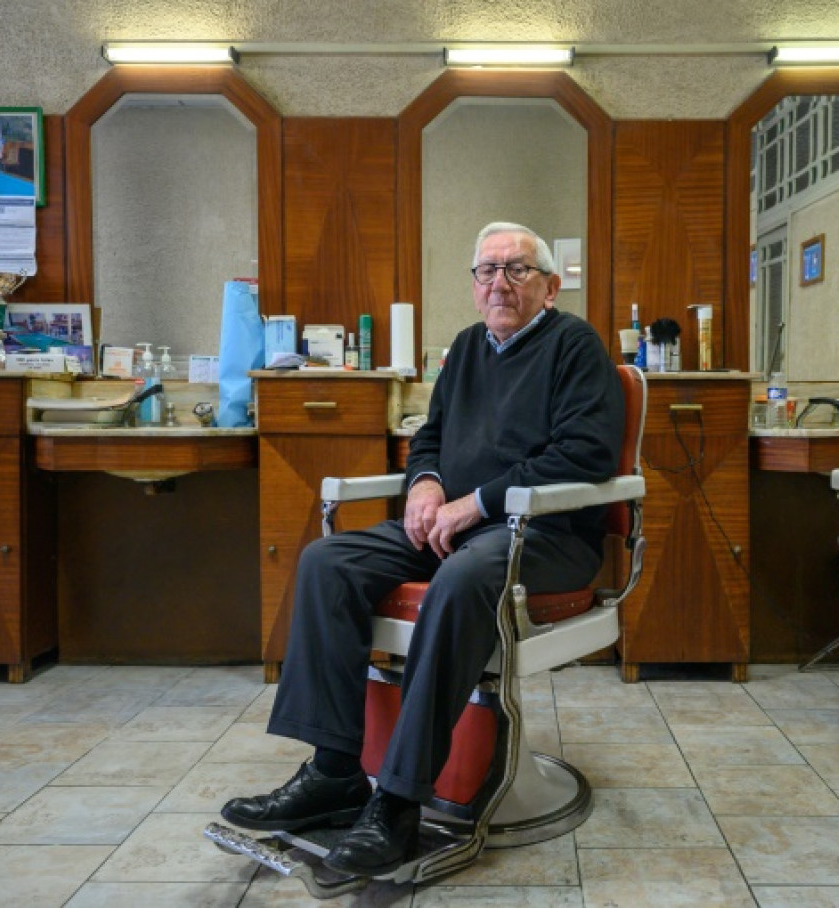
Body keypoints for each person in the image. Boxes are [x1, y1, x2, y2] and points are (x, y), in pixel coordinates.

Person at [221, 222, 625, 876]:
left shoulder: (575, 347)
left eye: (517, 269)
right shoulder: (467, 349)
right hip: (460, 530)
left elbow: (586, 454)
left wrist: (478, 502)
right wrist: (427, 485)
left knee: (461, 580)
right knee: (327, 563)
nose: (500, 282)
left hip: (546, 535)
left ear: (550, 287)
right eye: (487, 271)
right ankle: (334, 773)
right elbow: (429, 440)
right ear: (472, 288)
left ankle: (400, 801)